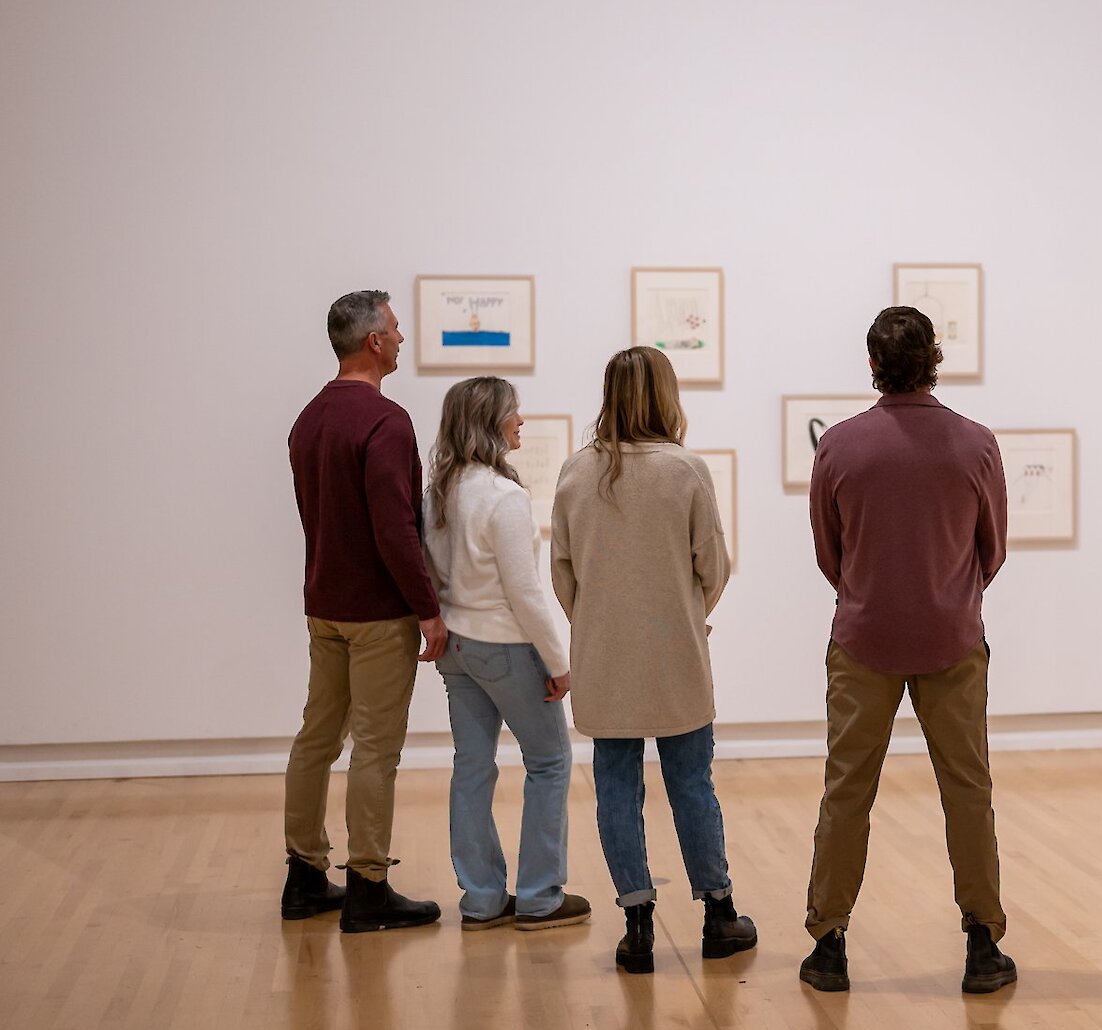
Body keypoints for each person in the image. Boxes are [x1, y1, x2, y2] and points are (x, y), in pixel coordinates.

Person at [801, 305, 1016, 994]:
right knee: (967, 790)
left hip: (862, 639)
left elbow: (828, 553)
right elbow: (993, 550)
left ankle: (828, 943)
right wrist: (947, 594)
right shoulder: (976, 443)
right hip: (953, 640)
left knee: (847, 791)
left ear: (872, 365)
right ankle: (982, 944)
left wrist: (871, 592)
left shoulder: (838, 446)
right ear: (935, 360)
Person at [551, 346, 756, 973]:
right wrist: (687, 613)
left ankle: (637, 924)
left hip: (603, 655)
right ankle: (718, 912)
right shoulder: (685, 470)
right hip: (676, 652)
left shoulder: (574, 473)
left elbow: (563, 575)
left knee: (615, 787)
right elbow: (713, 568)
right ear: (666, 395)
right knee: (692, 783)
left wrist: (596, 623)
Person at [283, 289, 444, 933]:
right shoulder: (386, 421)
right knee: (376, 748)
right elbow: (394, 529)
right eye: (397, 330)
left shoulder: (308, 419)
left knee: (317, 739)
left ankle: (304, 876)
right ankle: (369, 886)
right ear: (374, 341)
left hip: (325, 606)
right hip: (378, 614)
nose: (402, 339)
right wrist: (426, 607)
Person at [424, 377, 590, 932]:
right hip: (505, 646)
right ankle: (540, 896)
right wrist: (560, 662)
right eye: (514, 412)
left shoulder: (440, 492)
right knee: (549, 762)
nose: (522, 420)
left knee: (472, 768)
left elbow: (433, 572)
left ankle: (481, 899)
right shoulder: (505, 497)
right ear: (491, 422)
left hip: (457, 646)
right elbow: (525, 593)